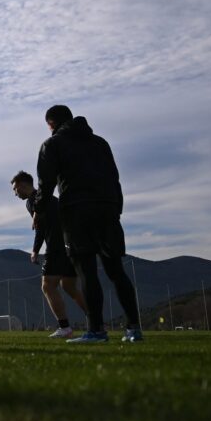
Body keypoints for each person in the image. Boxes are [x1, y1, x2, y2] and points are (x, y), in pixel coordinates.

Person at [36, 105, 143, 344]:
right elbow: (115, 178)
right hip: (108, 208)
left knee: (87, 271)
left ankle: (96, 330)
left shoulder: (52, 144)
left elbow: (46, 183)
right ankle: (134, 329)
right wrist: (116, 210)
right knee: (116, 270)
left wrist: (39, 210)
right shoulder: (100, 143)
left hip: (76, 211)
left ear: (51, 124)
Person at [11, 170, 87, 338]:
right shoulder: (51, 199)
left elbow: (40, 226)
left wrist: (35, 250)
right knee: (68, 286)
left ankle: (64, 327)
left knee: (47, 285)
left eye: (16, 189)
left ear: (24, 185)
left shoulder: (33, 201)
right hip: (71, 244)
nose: (15, 194)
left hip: (56, 247)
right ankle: (96, 321)